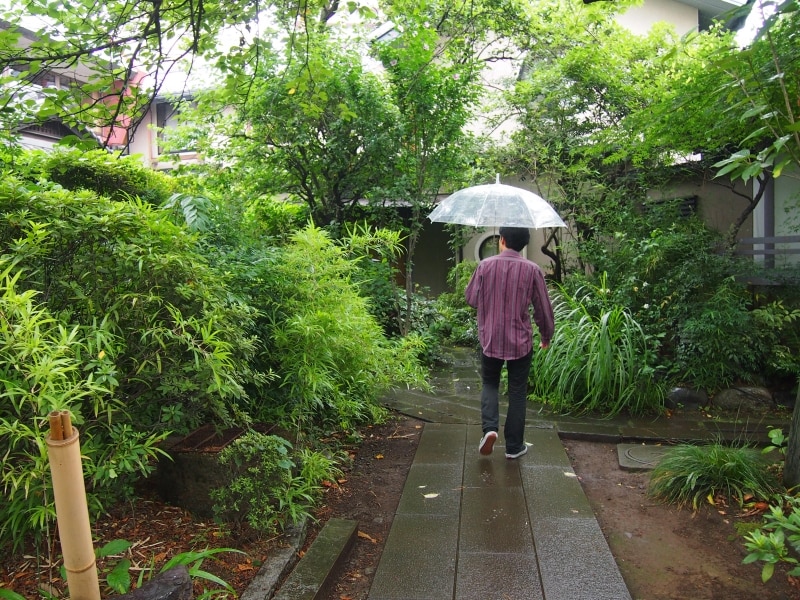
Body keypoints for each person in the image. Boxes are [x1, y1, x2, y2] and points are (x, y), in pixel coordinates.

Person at [465, 226, 554, 459]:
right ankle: (514, 447)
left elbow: (471, 299)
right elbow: (543, 308)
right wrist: (546, 335)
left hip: (491, 338)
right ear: (524, 244)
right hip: (520, 341)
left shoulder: (485, 266)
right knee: (517, 392)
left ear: (502, 239)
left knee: (490, 384)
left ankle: (490, 429)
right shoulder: (532, 270)